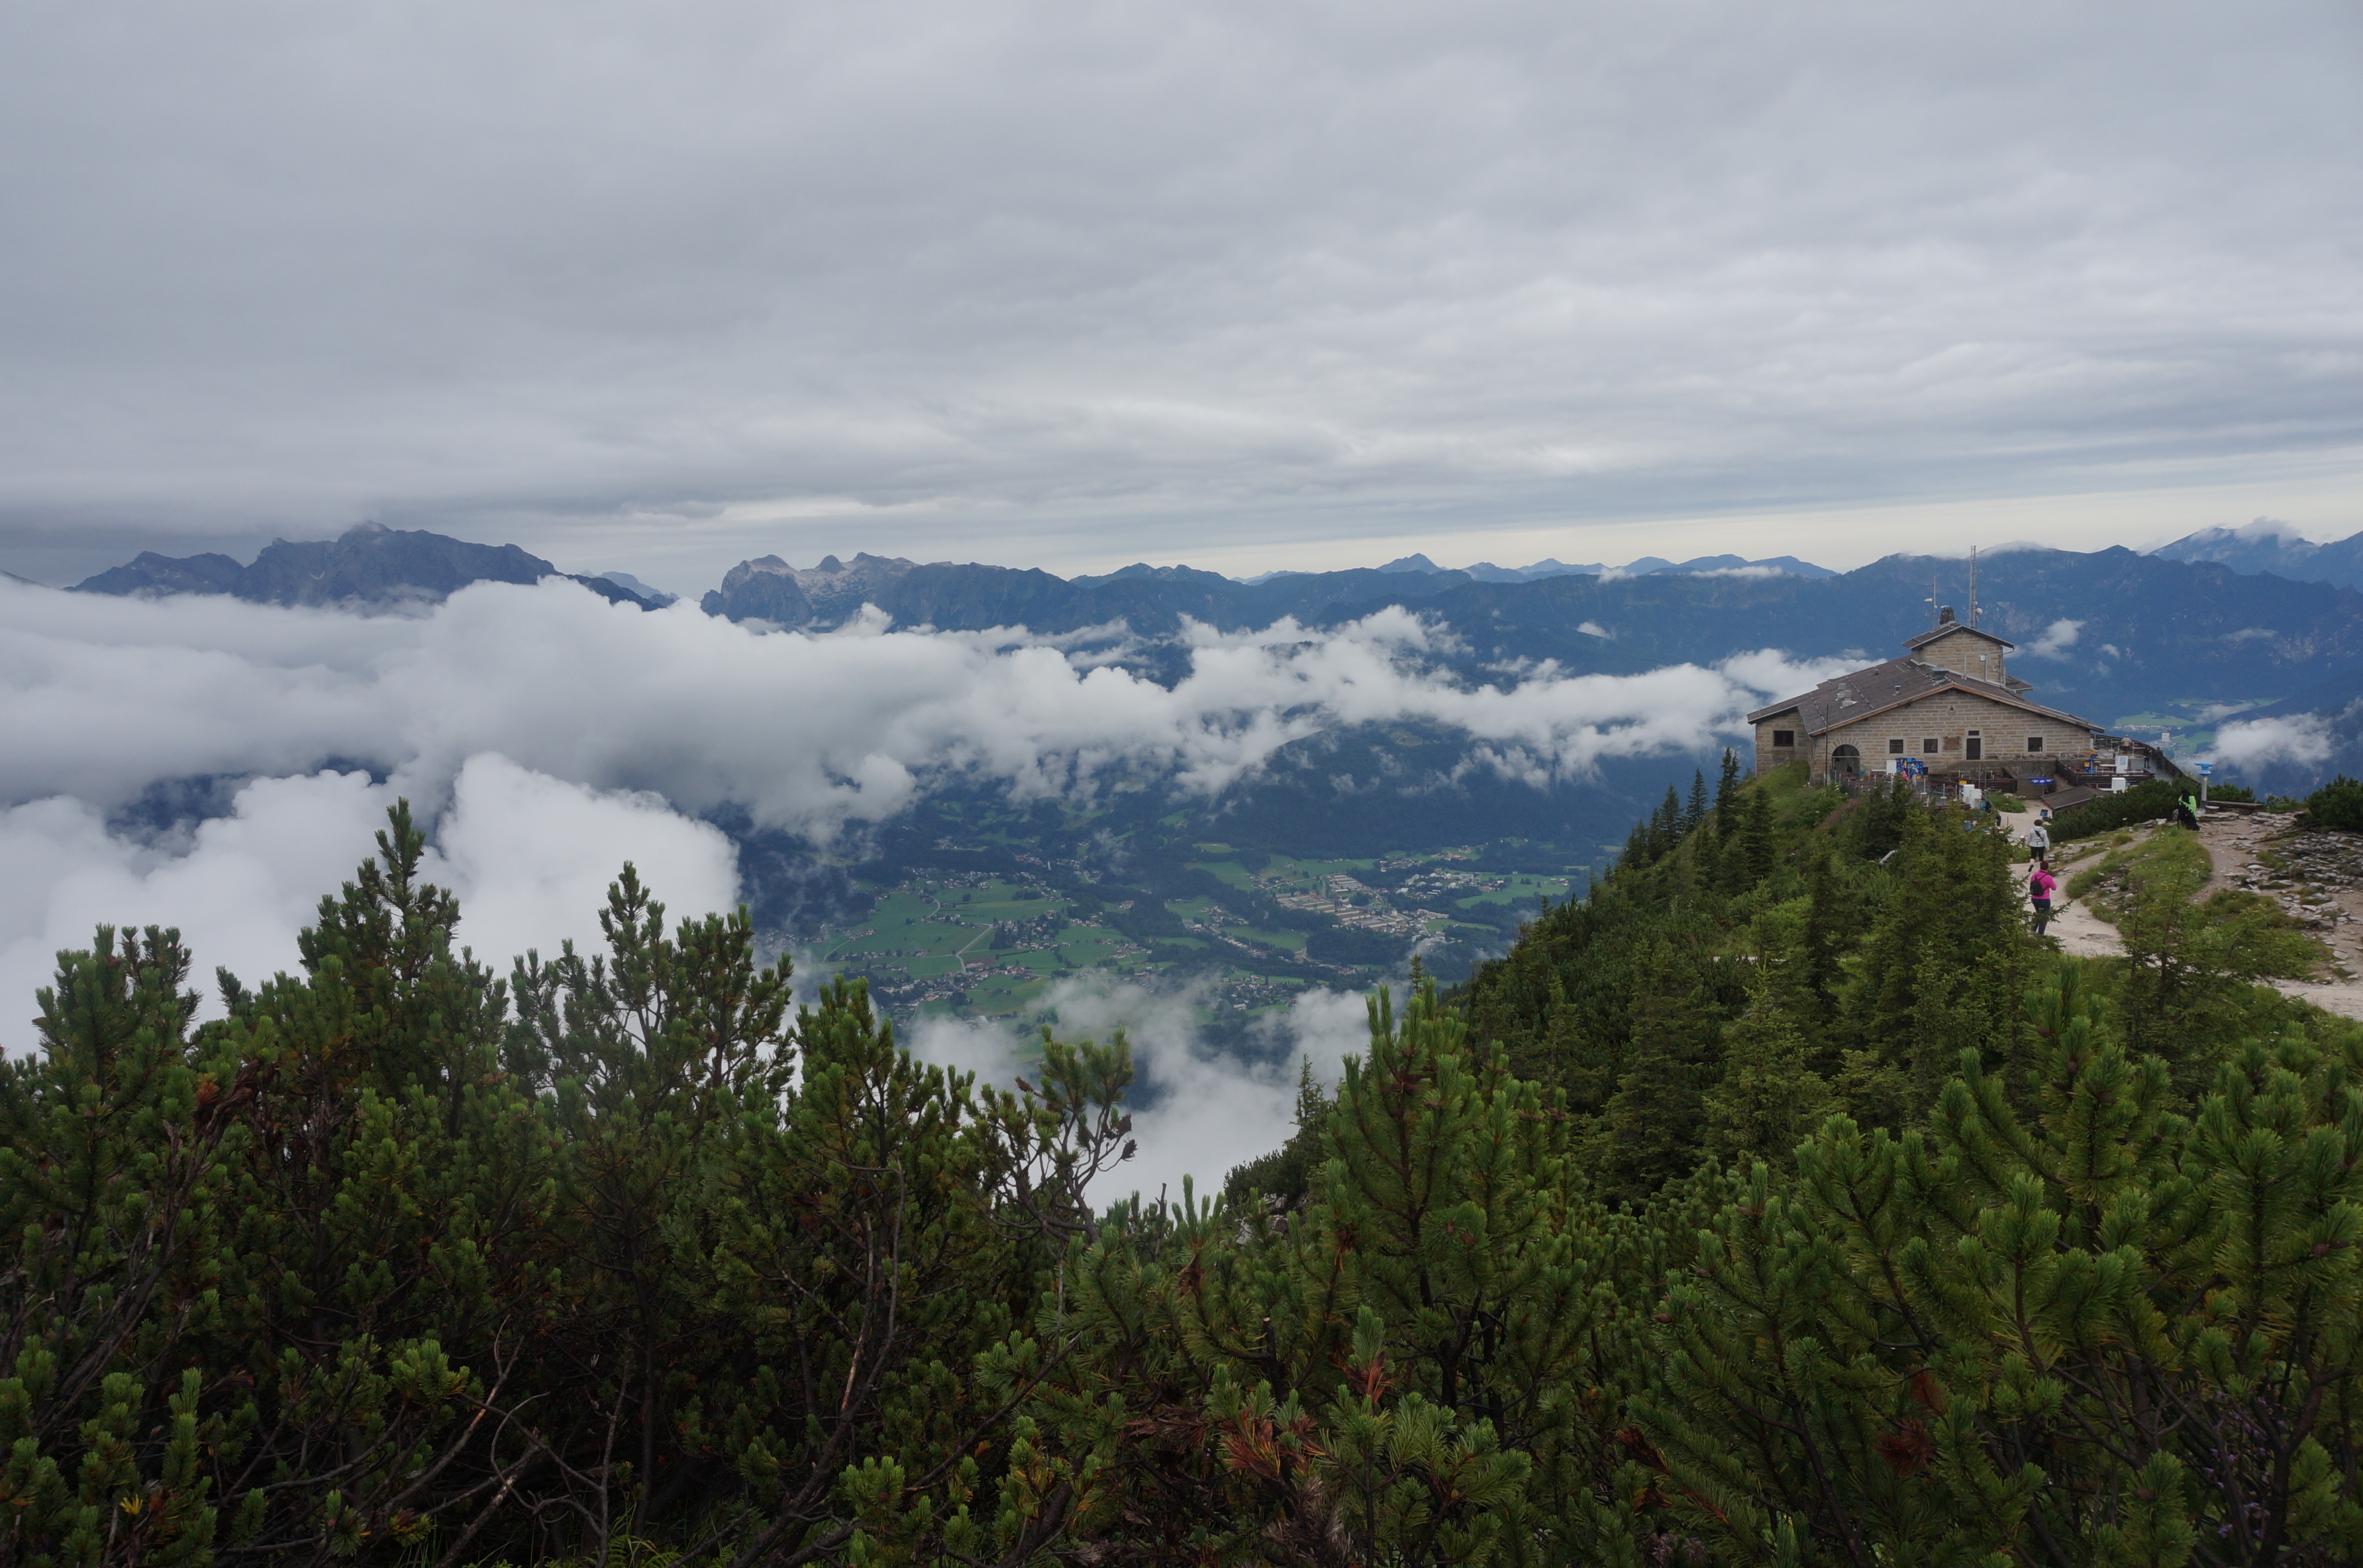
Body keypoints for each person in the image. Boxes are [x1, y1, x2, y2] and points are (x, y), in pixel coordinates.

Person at [2028, 858, 2058, 936]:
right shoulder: (2048, 877)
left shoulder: (2034, 876)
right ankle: (2040, 934)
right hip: (2044, 899)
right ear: (2047, 868)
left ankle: (2032, 931)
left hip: (2034, 898)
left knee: (2038, 913)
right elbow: (2054, 888)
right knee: (2044, 916)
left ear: (2040, 867)